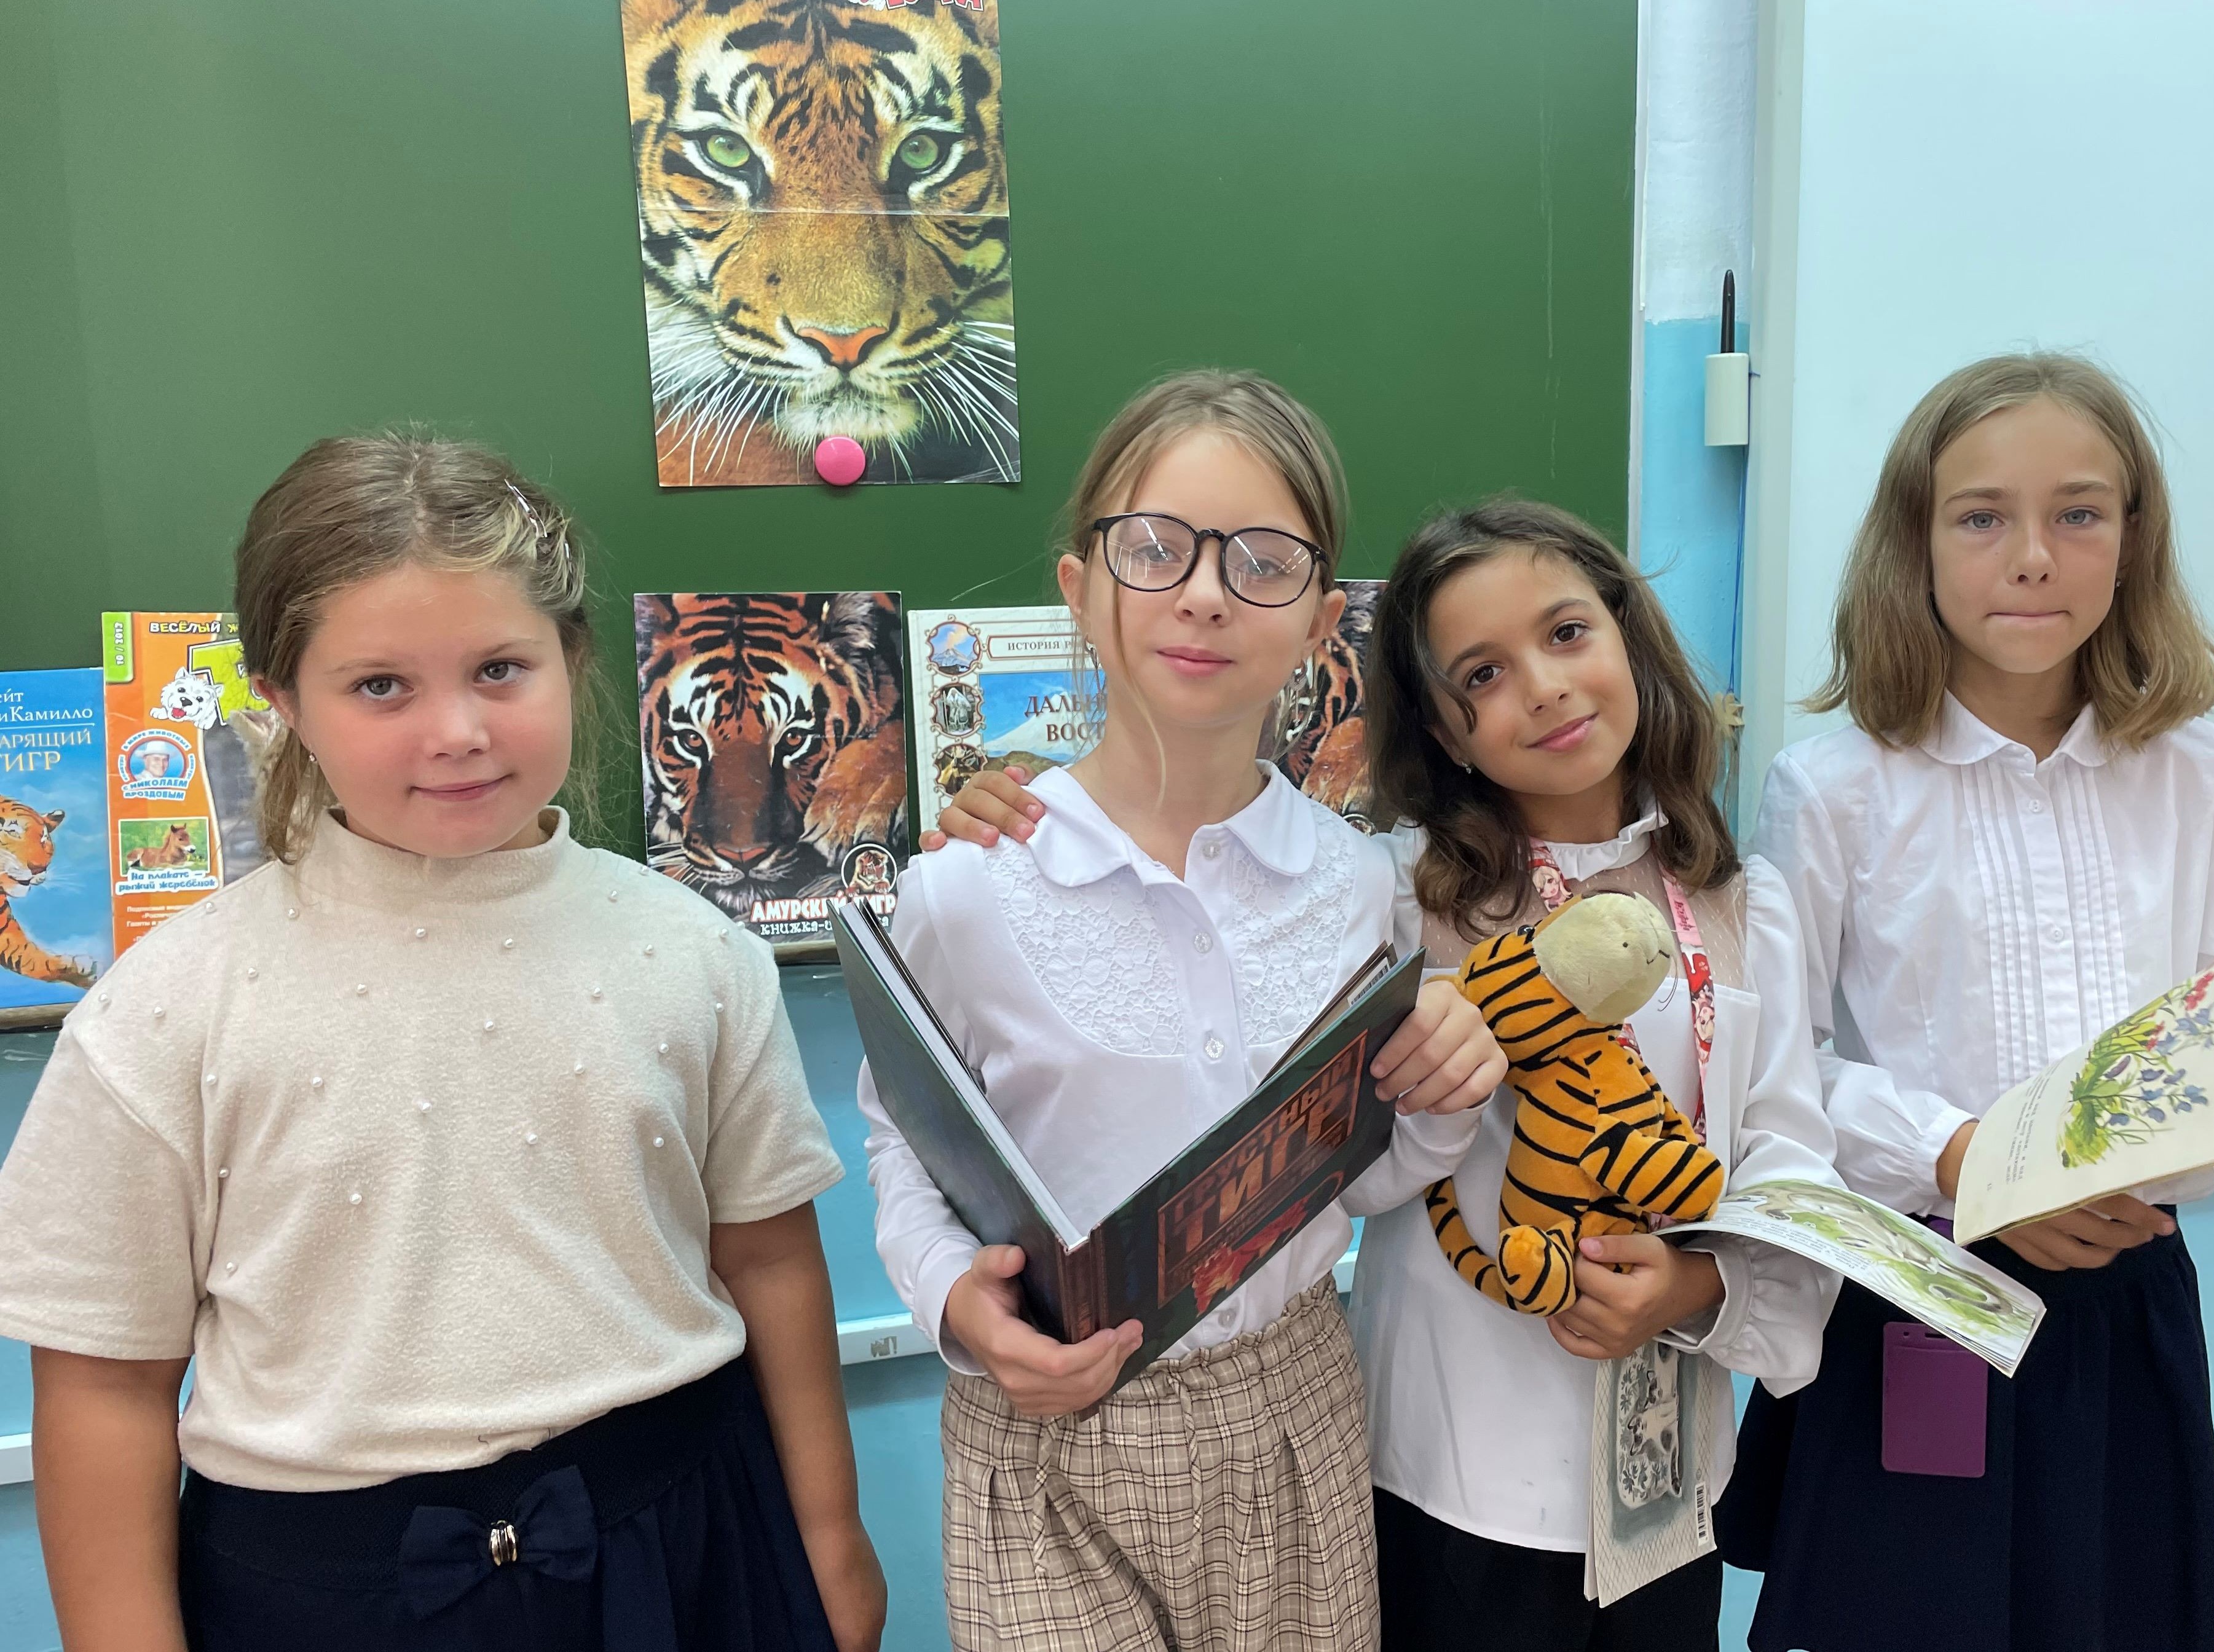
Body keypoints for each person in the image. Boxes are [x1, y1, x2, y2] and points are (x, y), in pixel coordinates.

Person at [0, 435, 885, 1652]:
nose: (458, 729)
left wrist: (829, 1538)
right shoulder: (163, 1013)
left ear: (573, 660)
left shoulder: (695, 952)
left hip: (687, 1539)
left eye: (500, 669)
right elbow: (106, 1384)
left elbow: (771, 1260)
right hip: (317, 1591)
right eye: (381, 686)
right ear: (282, 701)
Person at [932, 497, 1847, 1651]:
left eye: (1568, 633)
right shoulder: (1391, 895)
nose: (1544, 688)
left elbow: (1787, 1161)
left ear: (1627, 635)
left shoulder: (1744, 902)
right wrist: (1024, 804)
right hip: (1443, 1475)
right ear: (1445, 733)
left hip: (1665, 1478)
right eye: (1482, 675)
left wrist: (1697, 1290)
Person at [1716, 353, 2214, 1652]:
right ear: (1917, 543)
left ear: (2132, 536)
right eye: (1982, 516)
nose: (2033, 558)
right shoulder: (1837, 789)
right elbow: (1774, 1073)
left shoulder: (2211, 779)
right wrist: (1969, 1158)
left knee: (2118, 1614)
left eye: (2079, 513)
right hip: (1922, 1287)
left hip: (2128, 1296)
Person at [859, 370, 1505, 1652]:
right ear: (1080, 587)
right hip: (1048, 1442)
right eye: (1154, 549)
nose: (1205, 594)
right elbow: (906, 1140)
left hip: (1292, 1418)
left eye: (1262, 563)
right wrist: (951, 1301)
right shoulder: (964, 888)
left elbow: (1357, 1179)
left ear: (1321, 622)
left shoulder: (1356, 888)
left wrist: (1442, 1096)